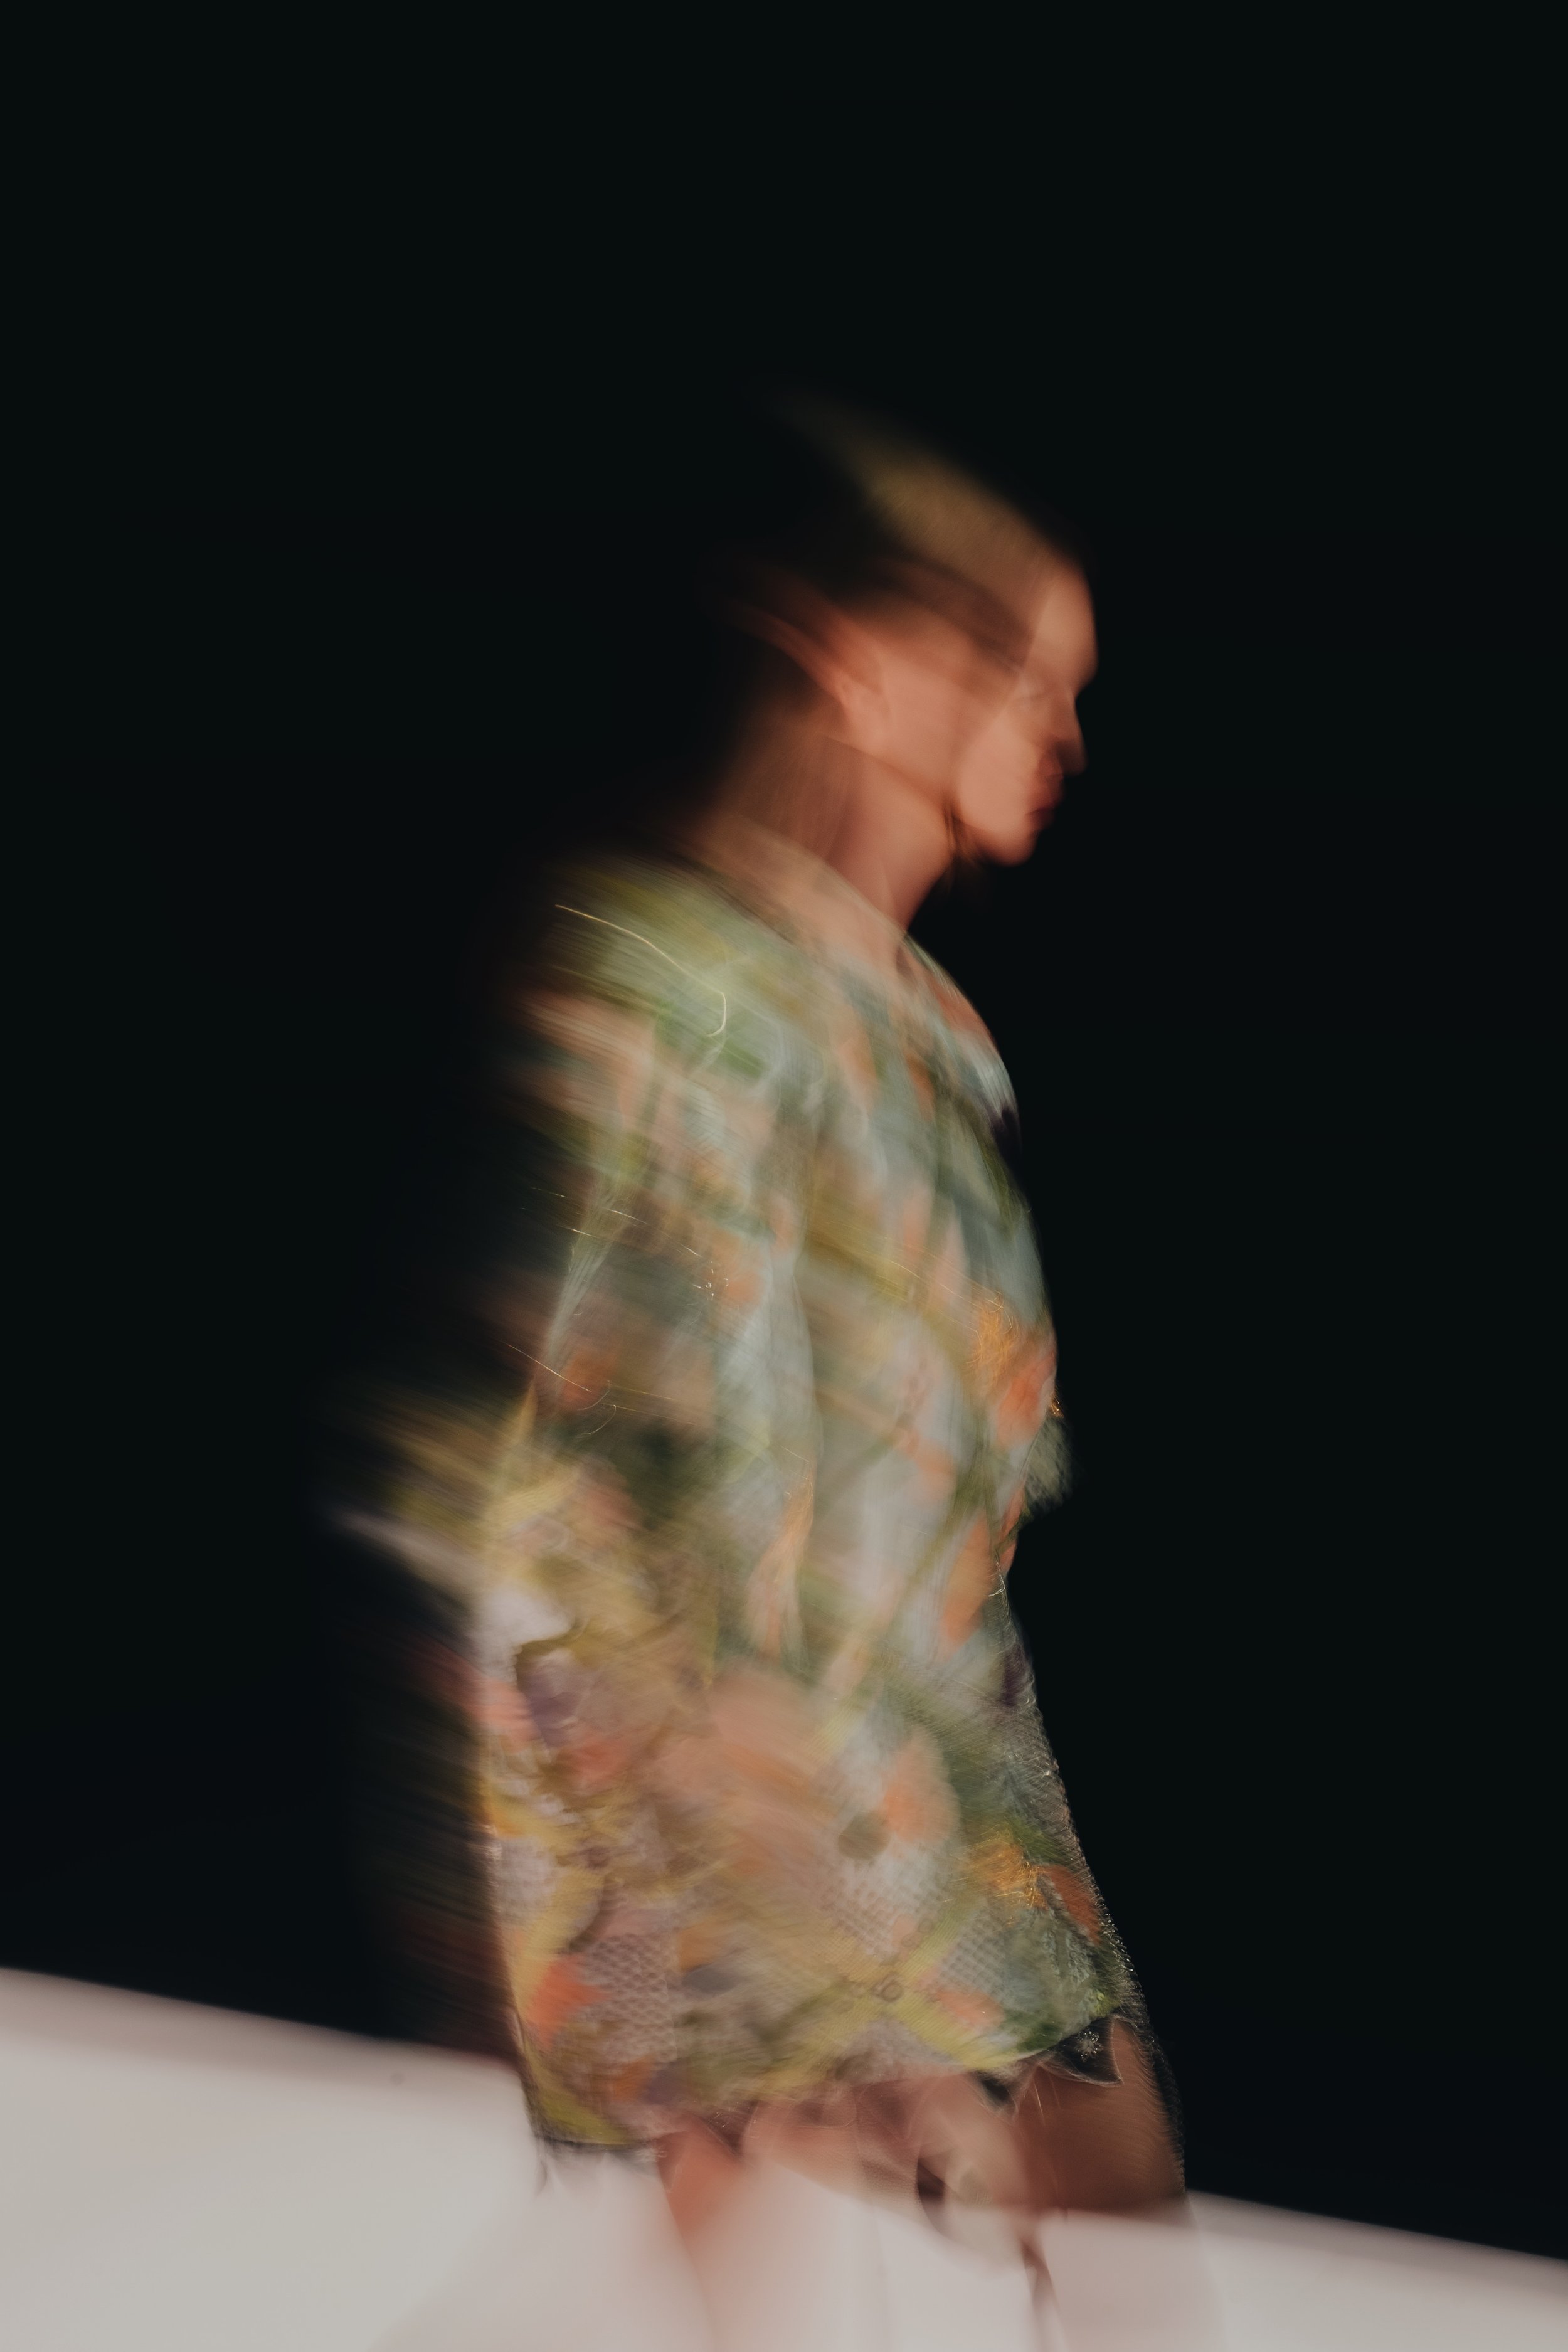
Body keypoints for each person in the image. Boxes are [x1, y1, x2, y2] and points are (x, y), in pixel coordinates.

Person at [339, 400, 1188, 2343]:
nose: (1059, 733)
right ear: (855, 655)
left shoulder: (931, 1042)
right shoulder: (672, 992)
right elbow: (600, 1449)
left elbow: (956, 1475)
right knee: (799, 2261)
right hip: (729, 1773)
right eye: (1016, 671)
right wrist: (756, 1857)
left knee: (1100, 2217)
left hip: (936, 1765)